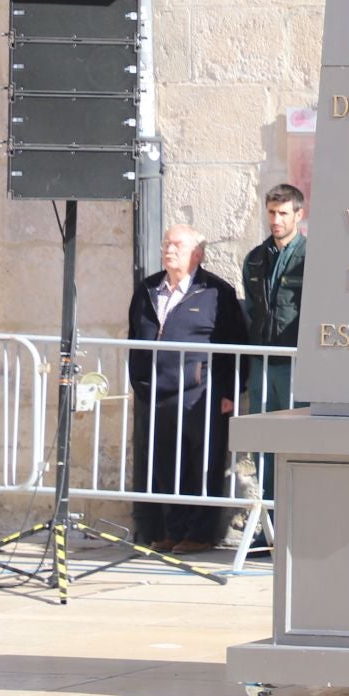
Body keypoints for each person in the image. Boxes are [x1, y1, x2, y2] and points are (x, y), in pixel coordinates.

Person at [126, 224, 248, 554]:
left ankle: (200, 533)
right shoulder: (149, 289)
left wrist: (231, 392)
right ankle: (173, 530)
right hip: (157, 393)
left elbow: (236, 343)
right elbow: (135, 337)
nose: (169, 250)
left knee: (203, 464)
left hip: (201, 392)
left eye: (177, 245)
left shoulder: (215, 291)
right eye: (166, 243)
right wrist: (139, 382)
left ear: (198, 254)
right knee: (165, 465)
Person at [238, 183, 307, 515]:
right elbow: (252, 309)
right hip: (262, 363)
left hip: (295, 365)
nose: (276, 220)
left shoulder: (310, 258)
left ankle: (296, 519)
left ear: (298, 215)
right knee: (263, 445)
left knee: (296, 444)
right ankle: (268, 525)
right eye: (271, 213)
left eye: (283, 213)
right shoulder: (255, 259)